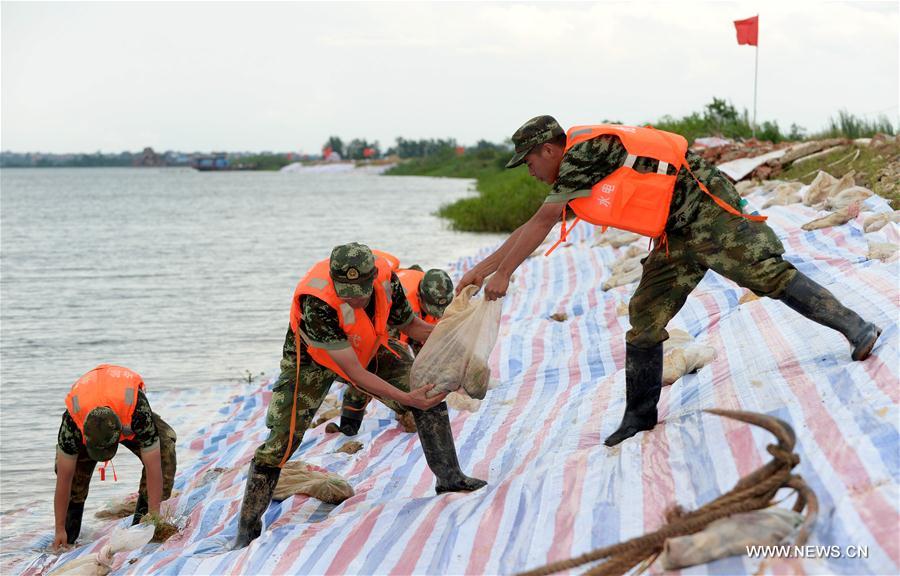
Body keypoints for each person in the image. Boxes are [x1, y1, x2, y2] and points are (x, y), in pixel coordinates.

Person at [457, 115, 881, 447]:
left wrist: (504, 273)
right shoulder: (576, 169)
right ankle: (639, 417)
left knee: (767, 275)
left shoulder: (582, 154)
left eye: (530, 162)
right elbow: (534, 223)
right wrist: (482, 270)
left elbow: (543, 221)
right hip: (674, 232)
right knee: (645, 313)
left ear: (549, 150)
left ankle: (855, 327)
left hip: (708, 215)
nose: (529, 171)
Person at [234, 243, 485, 548]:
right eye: (344, 291)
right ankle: (247, 531)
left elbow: (412, 326)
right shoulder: (319, 303)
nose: (351, 298)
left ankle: (450, 478)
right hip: (312, 360)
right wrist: (407, 401)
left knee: (427, 392)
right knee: (280, 443)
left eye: (358, 292)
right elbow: (355, 375)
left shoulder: (386, 281)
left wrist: (457, 337)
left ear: (371, 279)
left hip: (365, 344)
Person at [53, 364, 177, 549]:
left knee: (165, 450)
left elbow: (154, 466)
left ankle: (142, 523)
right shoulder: (72, 425)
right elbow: (63, 481)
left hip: (125, 413)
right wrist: (59, 529)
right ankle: (68, 537)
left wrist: (154, 517)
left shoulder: (137, 411)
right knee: (73, 484)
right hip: (90, 416)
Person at [333, 267, 455, 436]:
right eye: (431, 309)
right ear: (420, 297)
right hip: (387, 328)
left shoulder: (436, 290)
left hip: (418, 324)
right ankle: (348, 427)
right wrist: (403, 401)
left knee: (426, 364)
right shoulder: (399, 305)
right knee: (372, 370)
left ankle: (416, 402)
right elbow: (394, 349)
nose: (437, 314)